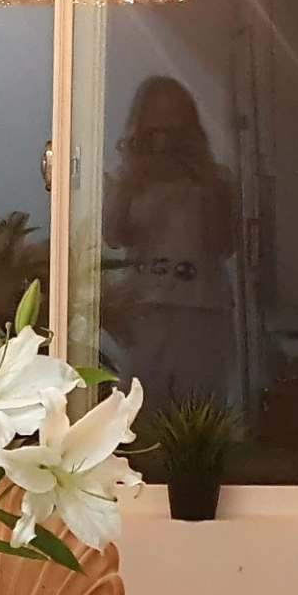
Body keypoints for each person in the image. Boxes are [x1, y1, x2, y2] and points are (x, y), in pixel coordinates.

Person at [105, 75, 238, 406]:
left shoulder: (214, 180)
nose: (163, 138)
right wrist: (131, 182)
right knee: (140, 409)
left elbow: (226, 243)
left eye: (172, 129)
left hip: (201, 307)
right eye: (154, 128)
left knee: (198, 409)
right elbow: (113, 236)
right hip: (144, 307)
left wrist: (205, 187)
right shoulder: (130, 179)